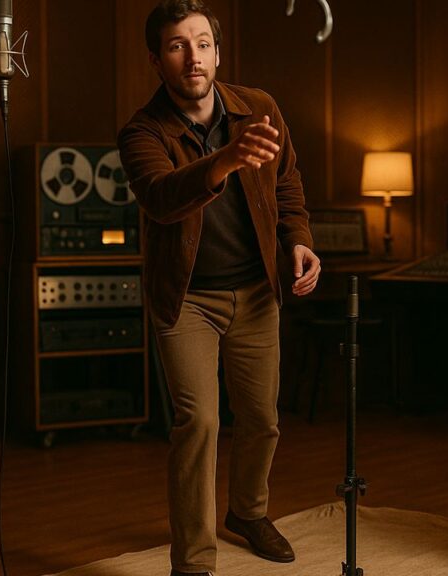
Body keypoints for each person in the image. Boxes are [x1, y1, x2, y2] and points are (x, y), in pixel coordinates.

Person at [117, 1, 320, 575]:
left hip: (257, 292)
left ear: (218, 51)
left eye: (202, 43)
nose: (193, 57)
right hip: (187, 301)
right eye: (178, 46)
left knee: (262, 419)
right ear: (158, 60)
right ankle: (195, 561)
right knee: (200, 423)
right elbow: (160, 195)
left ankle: (249, 513)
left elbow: (288, 185)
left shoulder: (259, 107)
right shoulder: (142, 130)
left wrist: (299, 240)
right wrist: (225, 159)